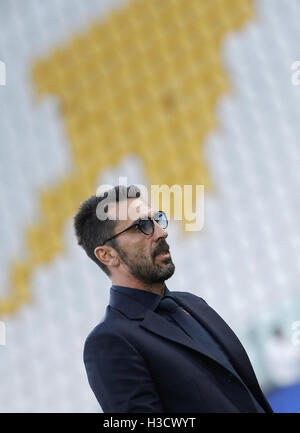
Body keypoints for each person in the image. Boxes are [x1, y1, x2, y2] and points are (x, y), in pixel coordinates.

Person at [73, 185, 273, 413]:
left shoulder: (194, 304)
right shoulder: (110, 341)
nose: (161, 232)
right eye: (142, 226)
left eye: (156, 219)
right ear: (107, 255)